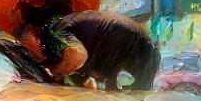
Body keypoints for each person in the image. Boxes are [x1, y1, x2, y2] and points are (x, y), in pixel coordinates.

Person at [20, 11, 160, 91]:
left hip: (124, 43)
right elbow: (86, 76)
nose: (29, 51)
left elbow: (77, 56)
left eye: (27, 44)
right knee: (138, 100)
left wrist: (56, 74)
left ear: (34, 34)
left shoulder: (55, 31)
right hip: (145, 49)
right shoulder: (58, 44)